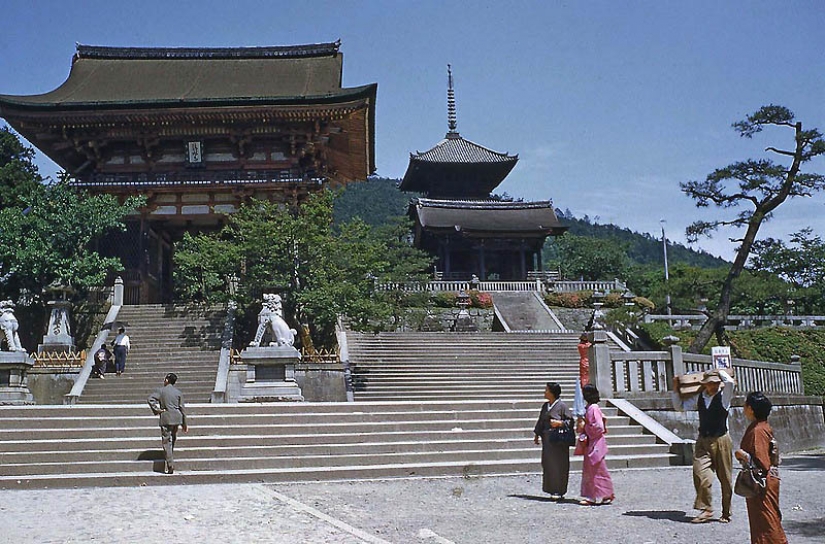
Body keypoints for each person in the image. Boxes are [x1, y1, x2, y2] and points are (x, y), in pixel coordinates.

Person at [672, 369, 736, 523]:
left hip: (721, 440)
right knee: (699, 472)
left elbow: (730, 383)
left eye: (715, 383)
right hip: (703, 440)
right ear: (705, 384)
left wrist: (719, 371)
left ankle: (726, 512)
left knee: (725, 478)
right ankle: (706, 508)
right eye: (710, 383)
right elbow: (680, 407)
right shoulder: (699, 397)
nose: (713, 386)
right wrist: (675, 389)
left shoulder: (724, 397)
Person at [735, 392, 788, 544]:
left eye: (746, 405)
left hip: (762, 482)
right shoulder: (762, 426)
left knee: (767, 523)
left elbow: (762, 462)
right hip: (767, 480)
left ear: (751, 409)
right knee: (764, 522)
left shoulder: (757, 431)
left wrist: (743, 455)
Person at [533, 382, 574, 500]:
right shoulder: (545, 406)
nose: (544, 392)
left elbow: (570, 421)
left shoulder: (562, 406)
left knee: (559, 465)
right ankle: (550, 488)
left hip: (559, 441)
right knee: (548, 464)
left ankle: (559, 490)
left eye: (546, 390)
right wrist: (537, 434)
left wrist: (560, 423)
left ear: (552, 393)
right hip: (547, 440)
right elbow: (541, 421)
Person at [578, 383, 614, 505]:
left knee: (596, 469)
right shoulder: (592, 407)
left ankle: (594, 495)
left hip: (595, 442)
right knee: (597, 469)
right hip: (594, 442)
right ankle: (605, 494)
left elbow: (598, 426)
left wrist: (585, 427)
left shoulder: (593, 408)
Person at [147, 373, 188, 475]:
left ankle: (170, 464)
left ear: (166, 380)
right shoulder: (178, 392)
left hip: (166, 417)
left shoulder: (161, 391)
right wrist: (184, 423)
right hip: (177, 417)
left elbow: (150, 399)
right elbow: (182, 408)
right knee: (173, 438)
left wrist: (157, 410)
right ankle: (170, 456)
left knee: (166, 441)